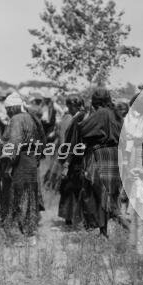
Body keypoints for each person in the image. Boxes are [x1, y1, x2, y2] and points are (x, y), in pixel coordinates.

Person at [74, 88, 124, 237]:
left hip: (100, 155)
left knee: (98, 193)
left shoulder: (101, 113)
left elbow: (83, 129)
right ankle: (105, 230)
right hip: (114, 154)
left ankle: (107, 230)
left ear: (96, 101)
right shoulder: (116, 114)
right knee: (108, 194)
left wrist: (89, 113)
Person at [0, 92, 46, 247]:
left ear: (14, 108)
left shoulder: (17, 119)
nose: (7, 113)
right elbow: (43, 142)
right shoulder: (33, 118)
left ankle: (17, 236)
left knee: (16, 197)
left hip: (20, 162)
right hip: (31, 162)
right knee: (29, 197)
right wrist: (36, 159)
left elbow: (15, 141)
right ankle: (30, 235)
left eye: (8, 109)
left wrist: (9, 165)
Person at [57, 95, 85, 226]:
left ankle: (72, 217)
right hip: (78, 156)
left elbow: (71, 143)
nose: (69, 109)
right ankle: (73, 217)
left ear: (74, 106)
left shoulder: (76, 119)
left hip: (75, 158)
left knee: (70, 187)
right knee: (72, 187)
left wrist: (66, 162)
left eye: (69, 107)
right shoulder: (79, 117)